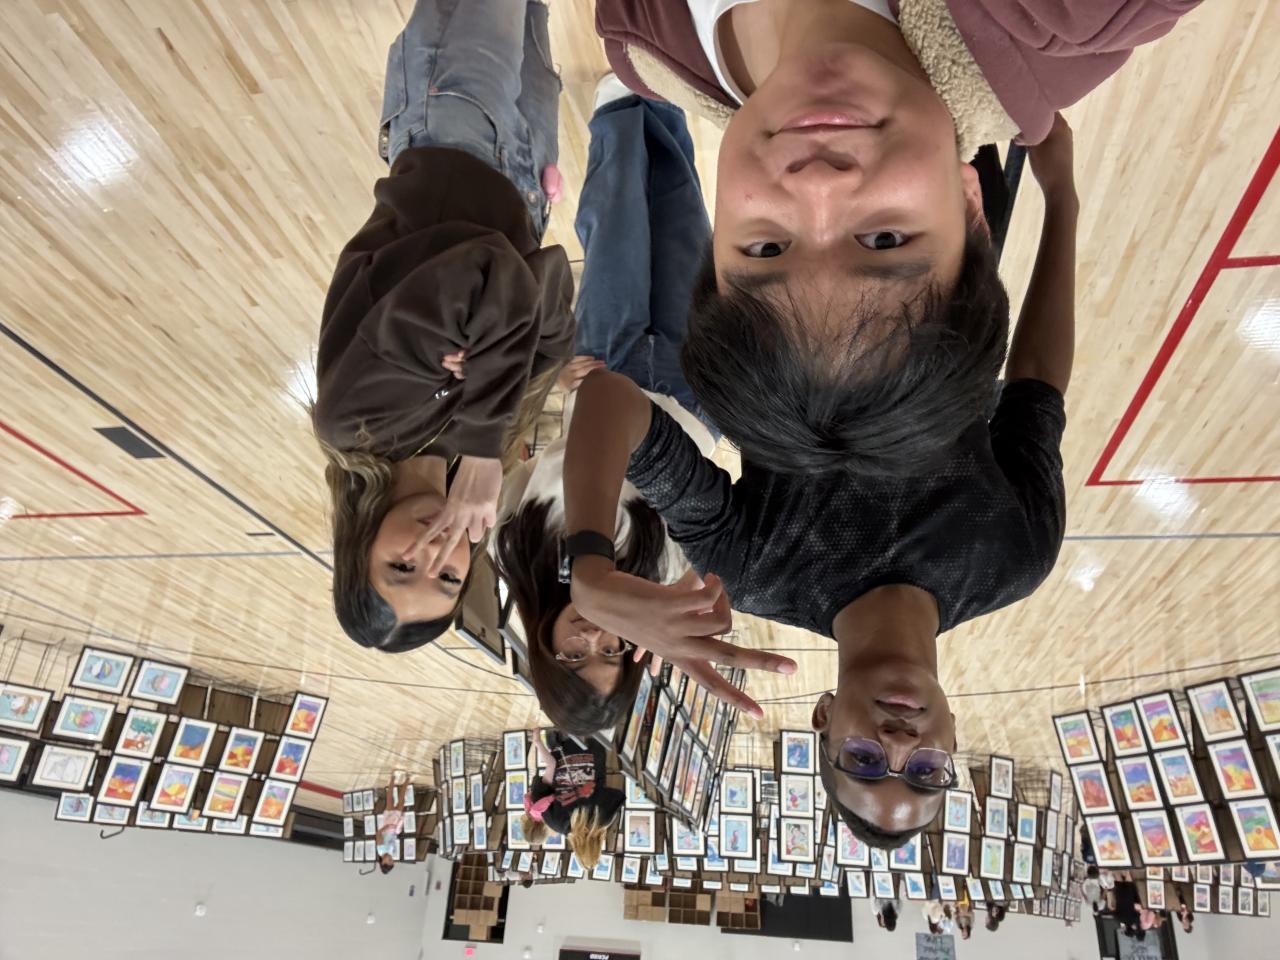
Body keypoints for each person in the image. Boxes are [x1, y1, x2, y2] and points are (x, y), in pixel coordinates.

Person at [562, 116, 1078, 850]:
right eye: (924, 772)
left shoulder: (755, 570)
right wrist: (1062, 198)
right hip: (942, 221)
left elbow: (609, 401)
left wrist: (589, 568)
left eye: (864, 761)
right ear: (953, 742)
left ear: (824, 719)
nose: (898, 744)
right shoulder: (1016, 557)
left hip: (798, 206)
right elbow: (1036, 389)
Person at [591, 0, 1203, 476]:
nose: (820, 187)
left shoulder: (641, 46)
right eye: (884, 240)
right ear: (971, 207)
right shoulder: (1075, 14)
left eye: (768, 250)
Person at [495, 77, 796, 731]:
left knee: (615, 228)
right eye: (610, 654)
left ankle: (620, 98)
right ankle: (662, 98)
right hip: (694, 394)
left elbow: (519, 441)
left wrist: (553, 380)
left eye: (574, 656)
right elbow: (709, 522)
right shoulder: (661, 584)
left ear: (543, 653)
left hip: (602, 367)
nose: (592, 638)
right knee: (688, 231)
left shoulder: (512, 546)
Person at [312, 0, 573, 652]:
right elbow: (550, 288)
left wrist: (492, 378)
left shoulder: (357, 422)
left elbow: (492, 274)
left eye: (402, 567)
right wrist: (495, 346)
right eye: (449, 576)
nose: (434, 551)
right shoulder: (464, 443)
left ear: (359, 550)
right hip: (523, 177)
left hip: (451, 124)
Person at [518, 729, 624, 871]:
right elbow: (539, 793)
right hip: (561, 747)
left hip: (593, 747)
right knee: (560, 717)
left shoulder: (604, 819)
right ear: (577, 851)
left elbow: (618, 795)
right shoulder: (556, 823)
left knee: (591, 719)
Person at [375, 771, 409, 875]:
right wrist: (398, 829)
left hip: (388, 823)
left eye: (389, 860)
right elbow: (393, 838)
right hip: (394, 827)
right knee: (401, 802)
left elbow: (378, 833)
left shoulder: (380, 850)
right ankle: (407, 779)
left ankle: (393, 777)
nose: (391, 858)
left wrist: (387, 826)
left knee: (390, 799)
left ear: (383, 862)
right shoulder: (391, 852)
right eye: (392, 860)